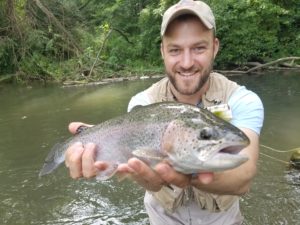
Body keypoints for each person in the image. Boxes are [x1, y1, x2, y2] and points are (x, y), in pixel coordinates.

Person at [65, 0, 264, 224]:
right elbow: (151, 182)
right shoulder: (142, 103)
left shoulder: (243, 100)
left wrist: (189, 175)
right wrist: (103, 143)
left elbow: (244, 176)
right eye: (175, 50)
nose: (187, 62)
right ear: (162, 51)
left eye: (199, 48)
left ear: (215, 47)